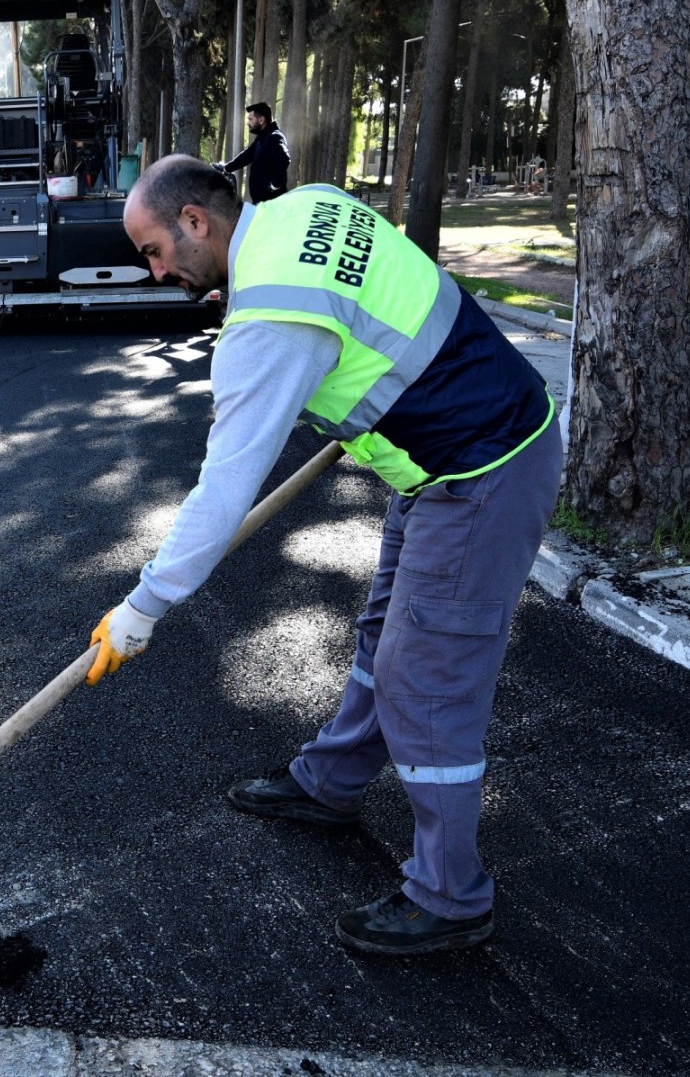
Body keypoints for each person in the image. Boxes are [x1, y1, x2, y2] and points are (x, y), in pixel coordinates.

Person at [90, 156, 559, 957]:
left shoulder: (269, 321)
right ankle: (330, 784)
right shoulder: (307, 205)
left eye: (155, 250)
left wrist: (146, 603)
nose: (157, 270)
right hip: (444, 456)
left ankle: (450, 896)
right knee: (385, 633)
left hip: (484, 470)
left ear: (196, 221)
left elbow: (223, 489)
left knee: (426, 679)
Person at [217, 101, 292, 203]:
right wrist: (226, 168)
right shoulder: (262, 138)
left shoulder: (274, 137)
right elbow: (247, 156)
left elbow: (284, 159)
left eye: (251, 119)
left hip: (272, 204)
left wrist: (275, 185)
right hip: (262, 203)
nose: (248, 123)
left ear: (261, 120)